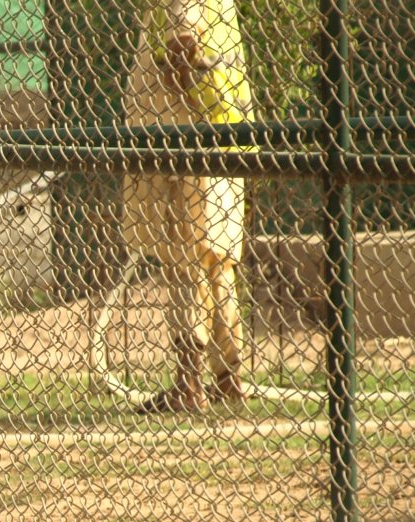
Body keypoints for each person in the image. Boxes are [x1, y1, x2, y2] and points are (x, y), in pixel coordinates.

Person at [121, 0, 252, 413]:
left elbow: (183, 48)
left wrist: (188, 99)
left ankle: (188, 380)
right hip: (223, 133)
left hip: (184, 142)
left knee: (184, 261)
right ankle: (229, 374)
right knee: (217, 260)